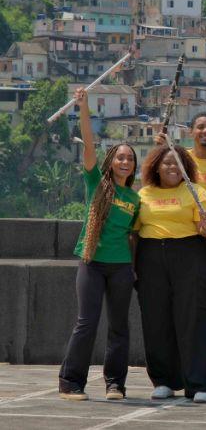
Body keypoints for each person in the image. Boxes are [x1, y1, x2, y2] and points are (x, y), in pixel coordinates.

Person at [58, 88, 140, 401]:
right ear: (111, 161)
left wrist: (133, 268)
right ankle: (70, 382)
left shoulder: (135, 197)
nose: (125, 161)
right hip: (92, 262)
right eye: (120, 157)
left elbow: (134, 234)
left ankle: (115, 383)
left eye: (130, 159)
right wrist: (83, 107)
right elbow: (89, 146)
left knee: (119, 327)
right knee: (86, 323)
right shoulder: (97, 183)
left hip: (120, 266)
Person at [134, 145, 206, 403]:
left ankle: (199, 383)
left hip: (189, 253)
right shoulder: (144, 194)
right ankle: (163, 380)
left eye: (179, 164)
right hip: (151, 256)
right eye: (168, 163)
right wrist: (132, 265)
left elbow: (205, 229)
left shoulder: (197, 192)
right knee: (155, 319)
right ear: (156, 166)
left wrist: (205, 227)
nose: (173, 168)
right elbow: (134, 232)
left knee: (193, 318)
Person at [157, 113, 206, 386]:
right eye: (200, 126)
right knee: (179, 308)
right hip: (180, 242)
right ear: (191, 130)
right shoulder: (179, 159)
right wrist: (159, 148)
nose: (205, 131)